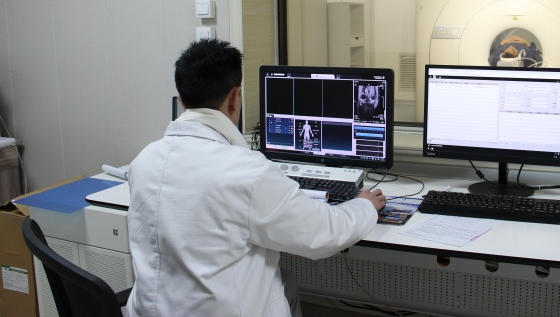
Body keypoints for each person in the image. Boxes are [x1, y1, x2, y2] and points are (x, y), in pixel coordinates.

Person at [126, 39, 386, 317]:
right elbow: (323, 233)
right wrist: (364, 205)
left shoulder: (144, 161)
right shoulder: (246, 171)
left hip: (151, 310)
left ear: (181, 99)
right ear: (235, 97)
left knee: (286, 282)